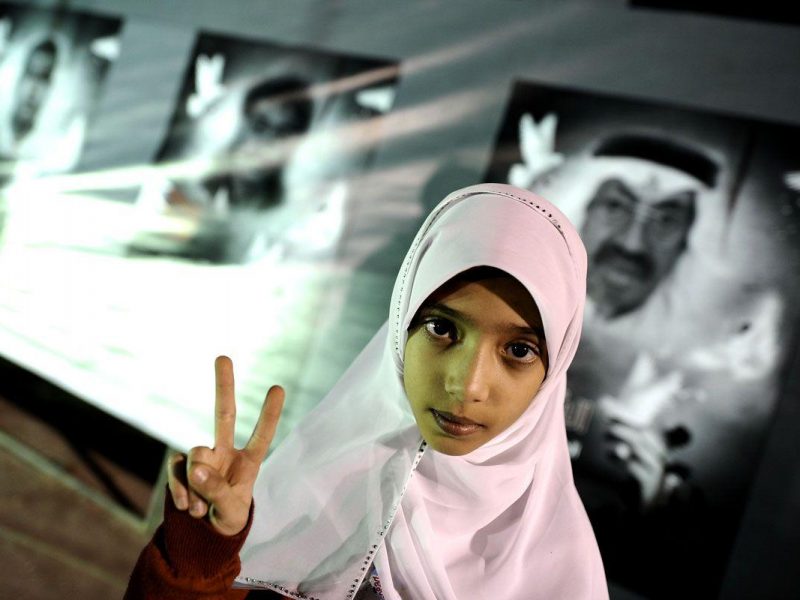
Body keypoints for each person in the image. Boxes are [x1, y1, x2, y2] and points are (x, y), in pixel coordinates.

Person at [124, 183, 608, 599]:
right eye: (442, 328)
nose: (468, 384)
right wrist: (204, 548)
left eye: (519, 351)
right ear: (402, 326)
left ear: (555, 367)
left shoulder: (563, 572)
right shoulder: (314, 489)